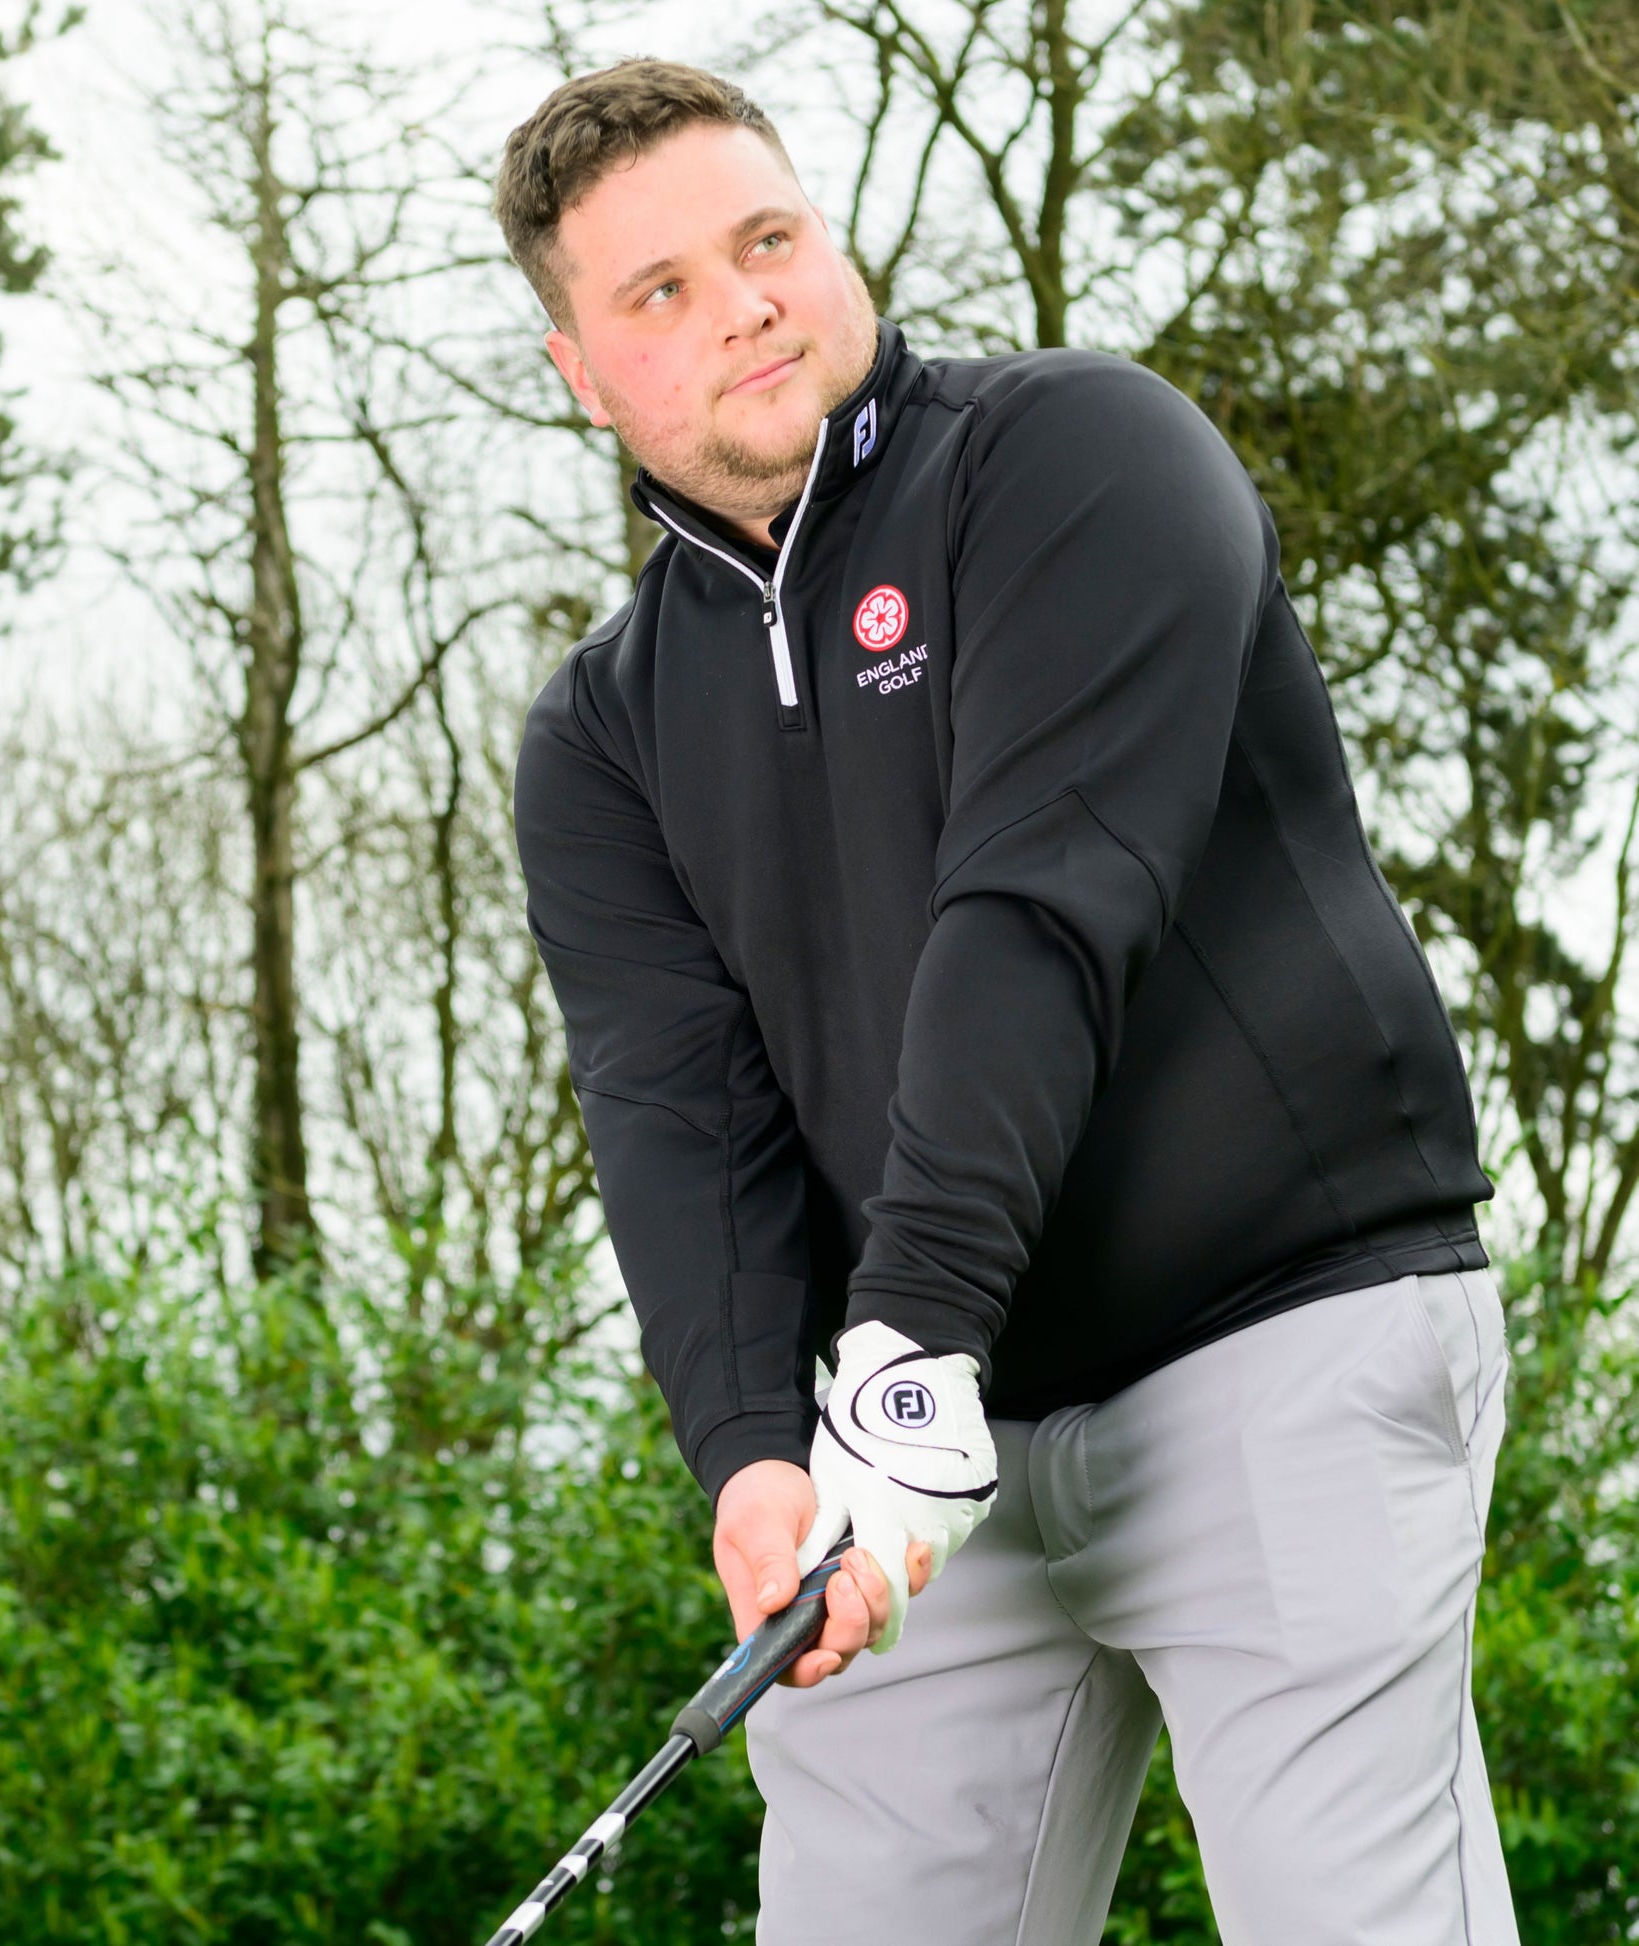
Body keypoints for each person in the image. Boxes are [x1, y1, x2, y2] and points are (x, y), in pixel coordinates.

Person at [494, 57, 1519, 1946]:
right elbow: (675, 1112)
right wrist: (751, 1449)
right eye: (662, 289)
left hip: (1273, 1331)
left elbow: (1038, 907)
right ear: (579, 370)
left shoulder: (1077, 458)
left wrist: (902, 1347)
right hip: (923, 1445)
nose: (743, 304)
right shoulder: (603, 735)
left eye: (768, 241)